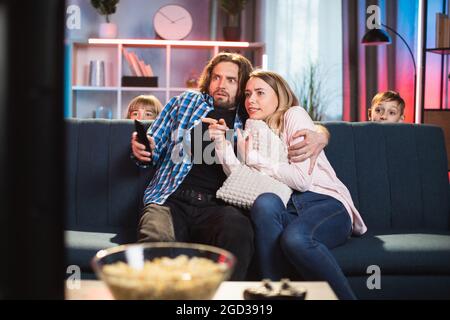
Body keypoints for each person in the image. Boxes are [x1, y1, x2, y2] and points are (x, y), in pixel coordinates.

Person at [131, 53, 330, 280]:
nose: (221, 85)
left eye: (231, 80)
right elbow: (153, 144)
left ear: (242, 84)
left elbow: (293, 118)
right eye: (216, 78)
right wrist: (143, 149)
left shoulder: (252, 115)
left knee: (239, 234)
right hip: (169, 199)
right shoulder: (183, 102)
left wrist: (321, 135)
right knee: (155, 242)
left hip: (218, 205)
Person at [209, 70, 367, 299]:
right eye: (248, 94)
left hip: (324, 202)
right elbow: (238, 175)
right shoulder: (253, 128)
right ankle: (273, 293)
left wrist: (254, 159)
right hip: (288, 206)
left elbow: (301, 181)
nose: (251, 100)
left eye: (260, 93)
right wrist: (220, 141)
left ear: (279, 95)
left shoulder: (294, 115)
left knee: (295, 239)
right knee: (264, 202)